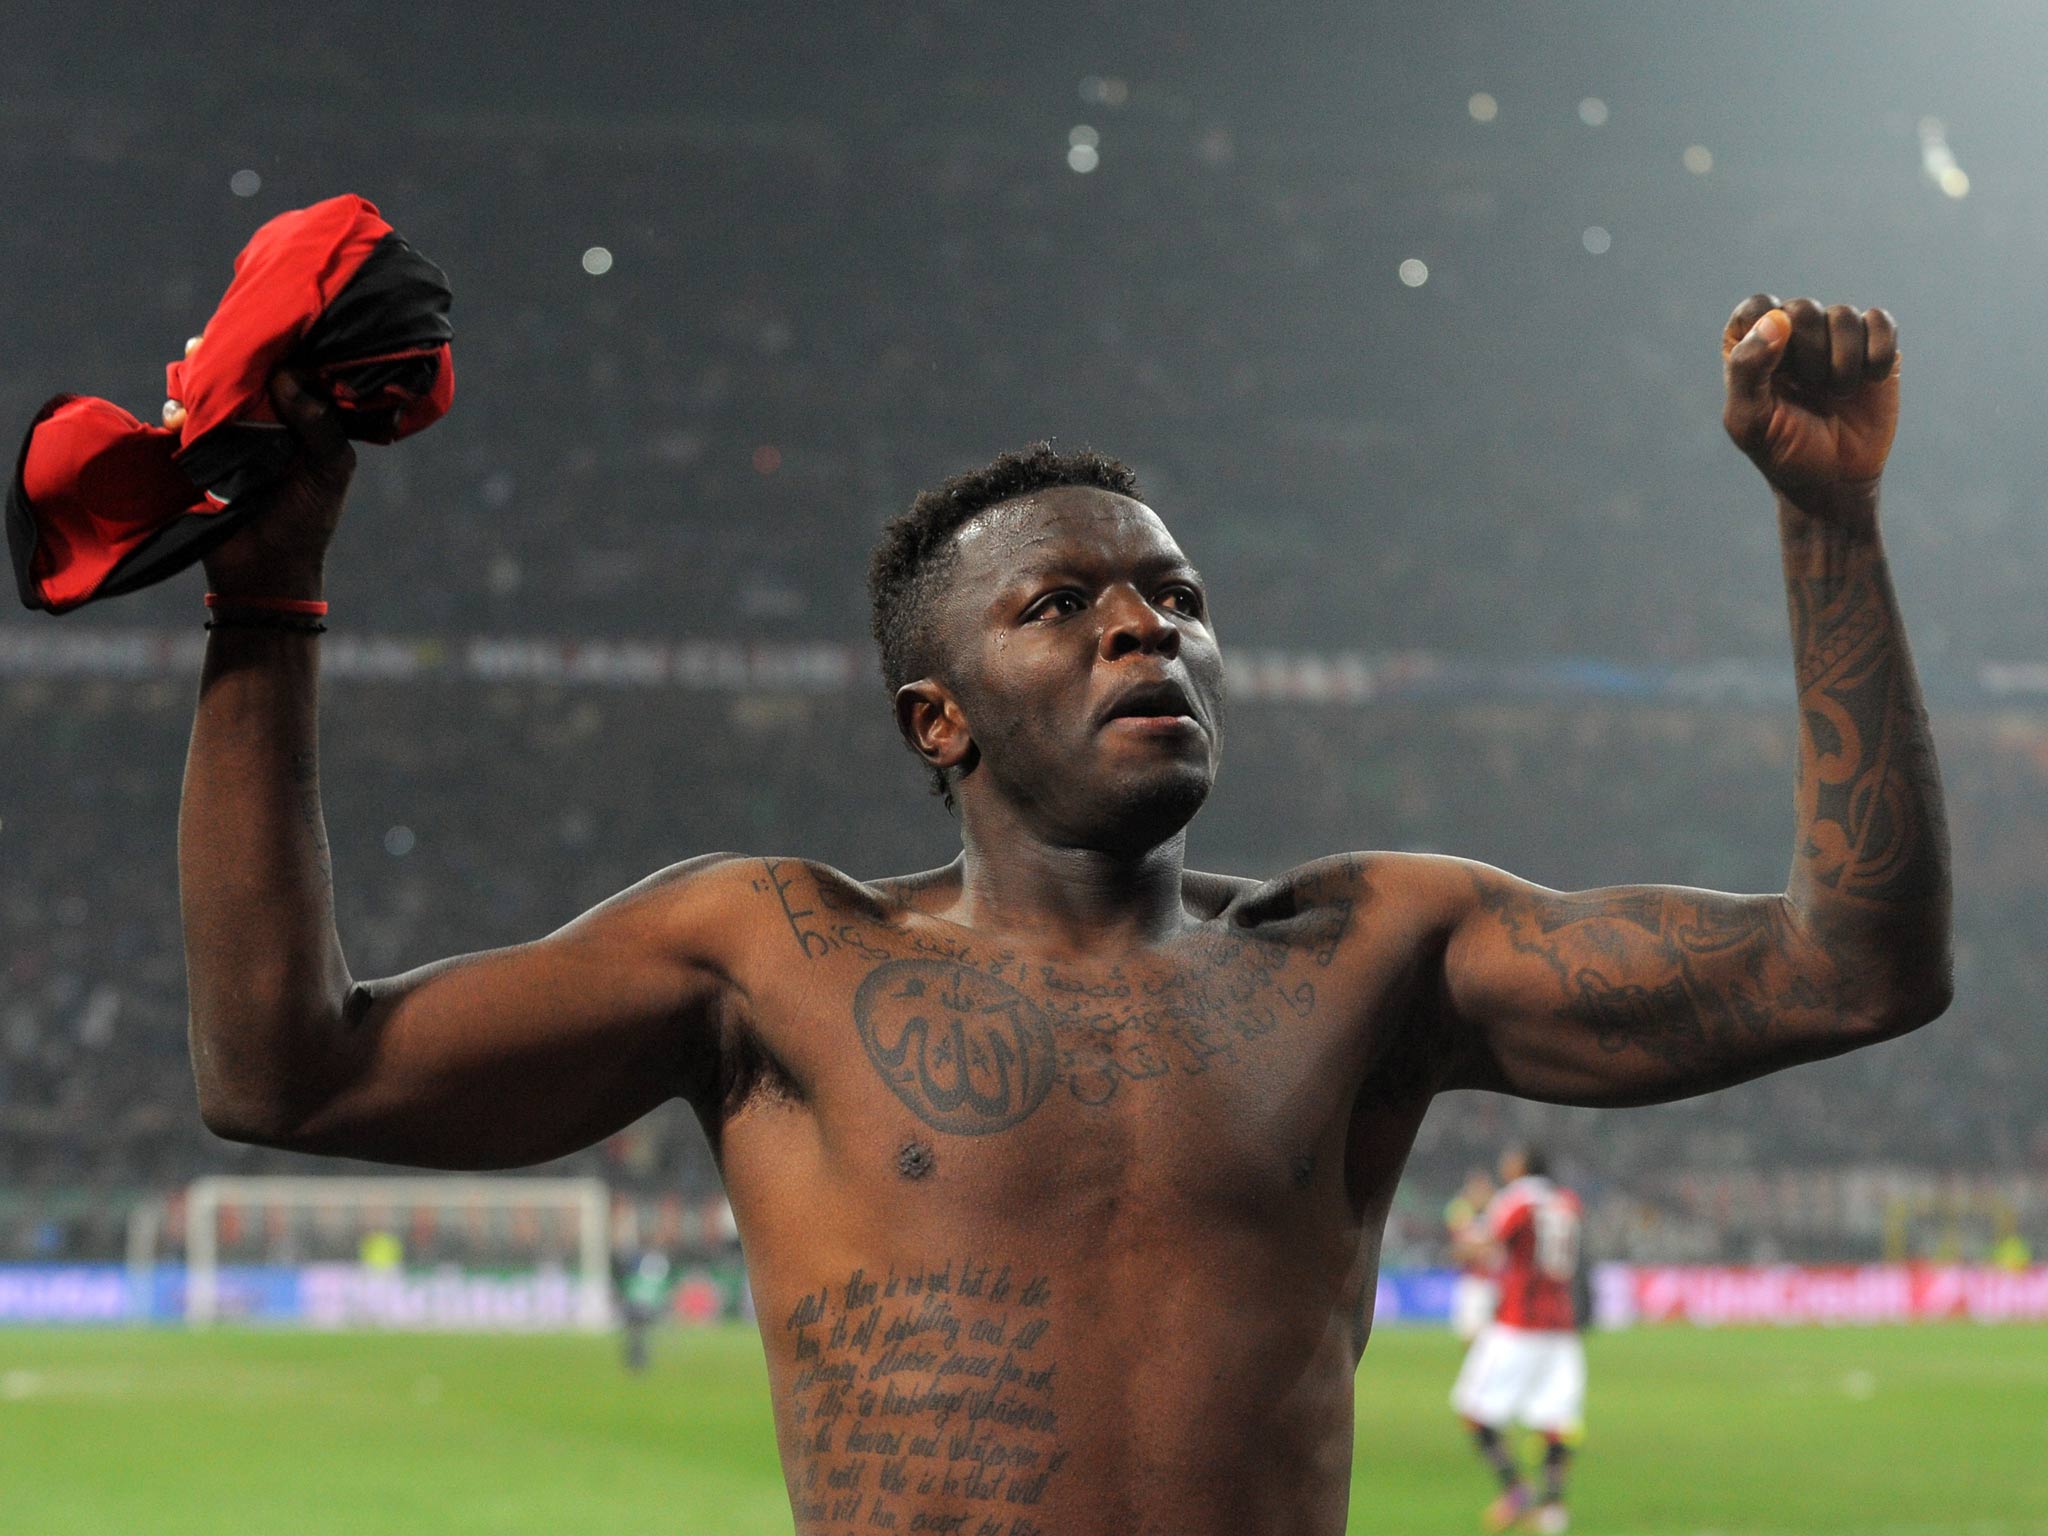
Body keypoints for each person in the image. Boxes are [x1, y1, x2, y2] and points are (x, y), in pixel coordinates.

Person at [174, 295, 1950, 1534]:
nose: (1141, 628)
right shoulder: (769, 955)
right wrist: (268, 603)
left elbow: (1847, 969)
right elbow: (286, 1072)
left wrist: (1825, 524)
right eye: (1064, 603)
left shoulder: (1374, 955)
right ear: (932, 720)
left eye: (1174, 596)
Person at [1451, 1146, 1583, 1533]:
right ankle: (1554, 1509)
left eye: (1510, 1158)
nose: (1504, 1163)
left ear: (1523, 1165)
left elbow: (1484, 1242)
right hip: (1562, 1327)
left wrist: (1461, 1236)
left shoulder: (1518, 1198)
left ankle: (1515, 1488)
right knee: (1557, 1418)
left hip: (1519, 1323)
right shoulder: (1567, 1202)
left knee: (1473, 1408)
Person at [1445, 1167, 1500, 1344]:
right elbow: (1457, 1252)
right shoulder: (1461, 1212)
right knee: (1468, 1337)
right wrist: (1480, 1250)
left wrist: (1475, 1249)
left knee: (1491, 1337)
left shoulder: (1498, 1213)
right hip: (1470, 1282)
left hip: (1495, 1283)